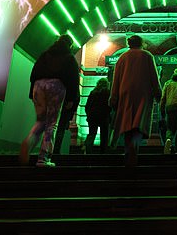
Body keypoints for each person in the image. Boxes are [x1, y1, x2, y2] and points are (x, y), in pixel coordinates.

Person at [19, 34, 80, 167]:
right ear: (70, 45)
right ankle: (43, 158)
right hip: (56, 87)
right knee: (51, 124)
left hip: (38, 86)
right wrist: (71, 98)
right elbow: (73, 78)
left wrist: (31, 93)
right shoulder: (69, 58)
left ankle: (29, 141)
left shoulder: (45, 54)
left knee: (40, 120)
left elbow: (34, 73)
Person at [110, 35, 162, 167]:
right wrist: (158, 93)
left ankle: (129, 152)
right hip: (143, 94)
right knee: (139, 124)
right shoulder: (147, 56)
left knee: (127, 124)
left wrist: (114, 96)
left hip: (125, 94)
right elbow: (154, 77)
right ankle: (133, 152)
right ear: (141, 43)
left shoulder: (122, 58)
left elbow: (116, 79)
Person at [160, 68, 177, 154]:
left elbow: (163, 99)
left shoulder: (168, 83)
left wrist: (162, 111)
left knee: (170, 127)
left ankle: (169, 140)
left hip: (170, 108)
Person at [83, 78, 111, 154]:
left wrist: (88, 114)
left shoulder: (93, 92)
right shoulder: (108, 93)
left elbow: (87, 106)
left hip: (92, 116)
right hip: (104, 116)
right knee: (104, 135)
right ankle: (103, 152)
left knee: (92, 133)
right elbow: (109, 106)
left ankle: (88, 150)